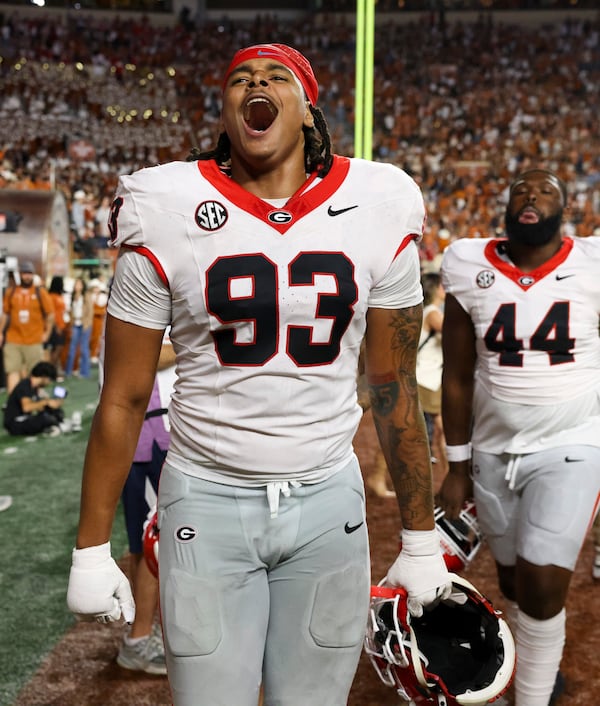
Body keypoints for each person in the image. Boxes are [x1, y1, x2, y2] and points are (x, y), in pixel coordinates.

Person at [67, 43, 453, 706]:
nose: (256, 83)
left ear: (307, 110)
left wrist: (420, 536)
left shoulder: (379, 200)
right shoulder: (164, 204)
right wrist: (90, 546)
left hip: (327, 499)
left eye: (276, 77)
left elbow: (392, 388)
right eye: (240, 78)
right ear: (226, 109)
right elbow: (124, 395)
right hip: (206, 501)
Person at [438, 168, 600, 706]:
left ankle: (529, 695)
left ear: (565, 207)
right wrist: (457, 465)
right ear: (507, 206)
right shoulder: (467, 263)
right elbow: (457, 374)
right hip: (492, 447)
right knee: (511, 581)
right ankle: (534, 658)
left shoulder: (592, 263)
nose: (532, 196)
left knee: (542, 580)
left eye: (546, 190)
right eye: (521, 190)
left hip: (573, 442)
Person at [116, 333, 176, 675]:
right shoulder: (133, 288)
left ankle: (142, 636)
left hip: (155, 426)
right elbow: (141, 352)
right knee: (153, 540)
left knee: (159, 538)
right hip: (149, 430)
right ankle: (138, 640)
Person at [0, 260, 54, 394]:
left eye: (29, 273)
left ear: (33, 275)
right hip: (13, 338)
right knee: (12, 371)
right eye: (24, 273)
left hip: (34, 339)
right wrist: (0, 332)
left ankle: (32, 398)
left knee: (34, 373)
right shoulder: (11, 292)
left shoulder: (40, 293)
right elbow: (5, 314)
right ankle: (13, 400)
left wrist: (47, 333)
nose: (27, 276)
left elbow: (50, 315)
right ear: (20, 274)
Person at [416, 270, 447, 474]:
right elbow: (452, 330)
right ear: (436, 289)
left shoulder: (428, 310)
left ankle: (449, 474)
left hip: (430, 378)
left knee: (441, 429)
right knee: (417, 432)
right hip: (426, 379)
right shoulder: (432, 313)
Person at [3, 361, 65, 436]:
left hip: (24, 418)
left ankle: (54, 424)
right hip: (15, 422)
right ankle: (51, 426)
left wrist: (51, 405)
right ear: (44, 377)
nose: (49, 383)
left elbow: (37, 407)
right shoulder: (25, 386)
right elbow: (27, 407)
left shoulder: (33, 387)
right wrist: (46, 402)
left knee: (54, 412)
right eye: (49, 380)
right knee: (44, 419)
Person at [64, 277, 93, 379]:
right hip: (75, 323)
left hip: (84, 324)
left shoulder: (86, 296)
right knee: (72, 348)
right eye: (76, 284)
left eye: (79, 284)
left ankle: (85, 372)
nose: (77, 286)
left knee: (84, 349)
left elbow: (90, 311)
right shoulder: (73, 296)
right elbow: (71, 310)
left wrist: (88, 323)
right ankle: (68, 371)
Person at [43, 275, 67, 378]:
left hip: (62, 325)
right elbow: (52, 313)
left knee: (58, 349)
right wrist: (56, 326)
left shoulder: (60, 296)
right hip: (55, 327)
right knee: (55, 349)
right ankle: (50, 372)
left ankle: (53, 371)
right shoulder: (51, 296)